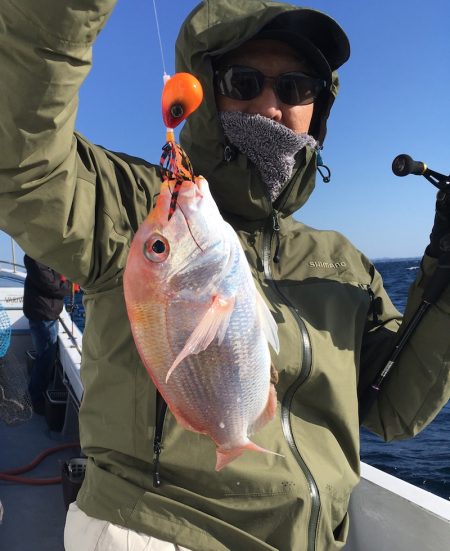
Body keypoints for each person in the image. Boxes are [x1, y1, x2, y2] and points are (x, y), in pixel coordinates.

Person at [0, 1, 448, 550]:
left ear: (319, 108)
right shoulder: (142, 208)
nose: (269, 105)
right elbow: (20, 163)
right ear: (205, 91)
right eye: (244, 80)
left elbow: (393, 409)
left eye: (296, 88)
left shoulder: (344, 261)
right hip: (157, 529)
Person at [23, 255, 72, 414]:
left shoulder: (42, 256)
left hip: (46, 312)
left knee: (46, 356)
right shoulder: (35, 258)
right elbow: (50, 285)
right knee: (45, 358)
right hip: (43, 315)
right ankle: (34, 399)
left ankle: (34, 395)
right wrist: (69, 287)